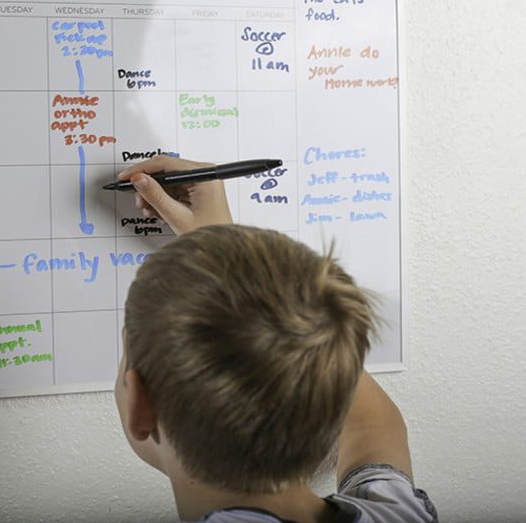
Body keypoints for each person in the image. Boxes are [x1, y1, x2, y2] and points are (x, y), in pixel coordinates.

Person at [113, 155, 436, 522]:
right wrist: (223, 257)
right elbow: (372, 424)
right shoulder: (395, 514)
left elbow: (367, 420)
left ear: (142, 406)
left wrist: (219, 252)